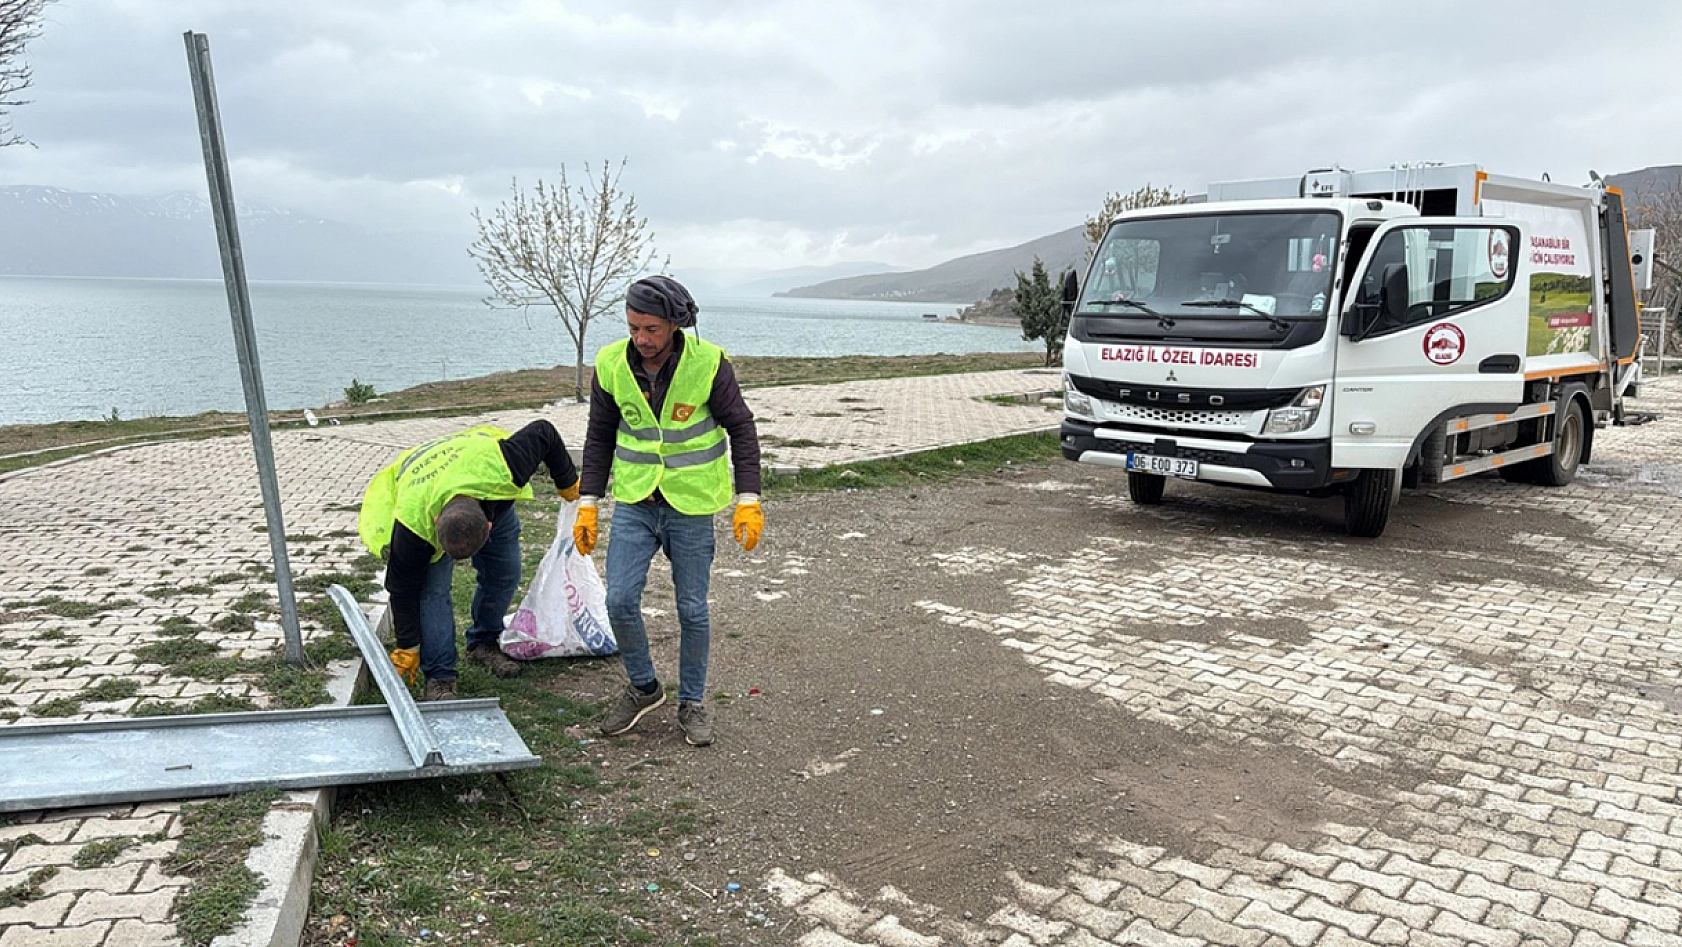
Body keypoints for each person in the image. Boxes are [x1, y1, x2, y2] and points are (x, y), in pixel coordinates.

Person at [573, 275, 763, 747]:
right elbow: (599, 437)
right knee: (618, 599)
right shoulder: (611, 365)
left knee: (692, 609)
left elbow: (742, 429)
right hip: (637, 500)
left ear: (676, 325)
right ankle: (643, 687)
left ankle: (693, 703)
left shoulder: (709, 365)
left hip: (692, 505)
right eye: (634, 327)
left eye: (652, 329)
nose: (642, 339)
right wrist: (588, 504)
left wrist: (749, 499)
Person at [358, 421, 580, 701]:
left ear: (489, 527)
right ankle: (440, 676)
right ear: (436, 523)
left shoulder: (508, 465)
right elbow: (402, 588)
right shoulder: (413, 527)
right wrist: (407, 645)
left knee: (505, 571)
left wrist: (568, 482)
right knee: (432, 593)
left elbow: (544, 431)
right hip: (421, 482)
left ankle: (483, 643)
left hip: (477, 467)